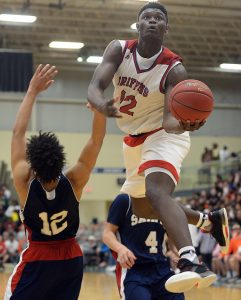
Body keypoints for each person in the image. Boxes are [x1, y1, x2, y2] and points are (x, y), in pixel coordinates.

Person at [87, 2, 229, 292]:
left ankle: (190, 259)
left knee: (156, 191)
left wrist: (185, 123)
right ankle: (208, 221)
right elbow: (94, 86)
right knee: (142, 203)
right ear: (137, 25)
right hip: (133, 140)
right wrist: (100, 104)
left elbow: (168, 121)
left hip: (164, 136)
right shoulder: (118, 49)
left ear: (166, 27)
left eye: (158, 18)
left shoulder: (174, 69)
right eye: (146, 18)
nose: (152, 21)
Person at [4, 64, 106, 300]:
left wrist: (32, 91)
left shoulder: (23, 180)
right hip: (70, 259)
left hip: (38, 258)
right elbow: (96, 141)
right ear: (61, 160)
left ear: (33, 167)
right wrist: (100, 110)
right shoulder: (75, 179)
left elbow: (18, 134)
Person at [103, 193, 184, 300]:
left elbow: (171, 239)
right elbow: (107, 234)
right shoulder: (125, 200)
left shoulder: (161, 203)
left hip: (162, 269)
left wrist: (183, 256)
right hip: (134, 270)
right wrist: (120, 249)